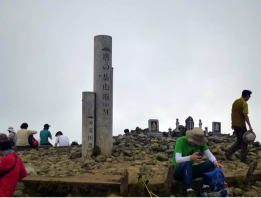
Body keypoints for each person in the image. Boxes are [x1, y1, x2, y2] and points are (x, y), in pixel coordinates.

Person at [172, 127, 223, 196]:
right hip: (179, 171)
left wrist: (215, 162)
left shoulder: (201, 144)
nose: (196, 144)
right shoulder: (180, 141)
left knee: (210, 163)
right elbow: (178, 159)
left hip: (190, 171)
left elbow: (210, 155)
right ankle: (189, 191)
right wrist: (191, 157)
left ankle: (206, 187)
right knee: (187, 163)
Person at [225, 90, 254, 164]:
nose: (249, 98)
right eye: (249, 96)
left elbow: (232, 113)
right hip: (241, 125)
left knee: (239, 141)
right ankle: (243, 159)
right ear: (247, 96)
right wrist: (250, 126)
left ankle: (228, 153)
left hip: (235, 125)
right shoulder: (244, 103)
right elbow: (245, 115)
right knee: (245, 142)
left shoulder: (236, 102)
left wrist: (232, 124)